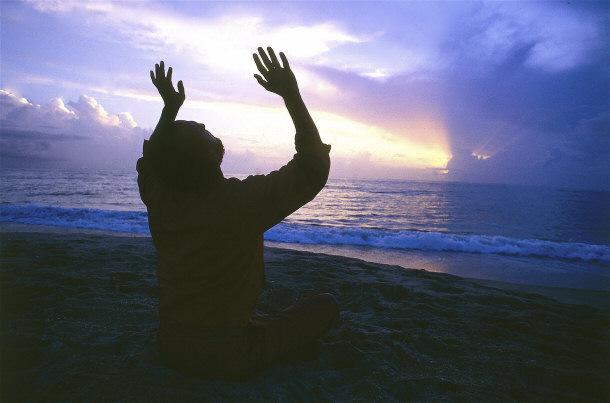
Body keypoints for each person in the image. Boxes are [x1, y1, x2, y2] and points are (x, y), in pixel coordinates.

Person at [137, 47, 339, 380]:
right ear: (204, 154)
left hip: (170, 344)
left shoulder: (160, 197)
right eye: (199, 130)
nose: (203, 123)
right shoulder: (242, 202)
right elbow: (312, 168)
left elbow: (150, 160)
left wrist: (169, 111)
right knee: (326, 304)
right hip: (226, 352)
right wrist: (291, 95)